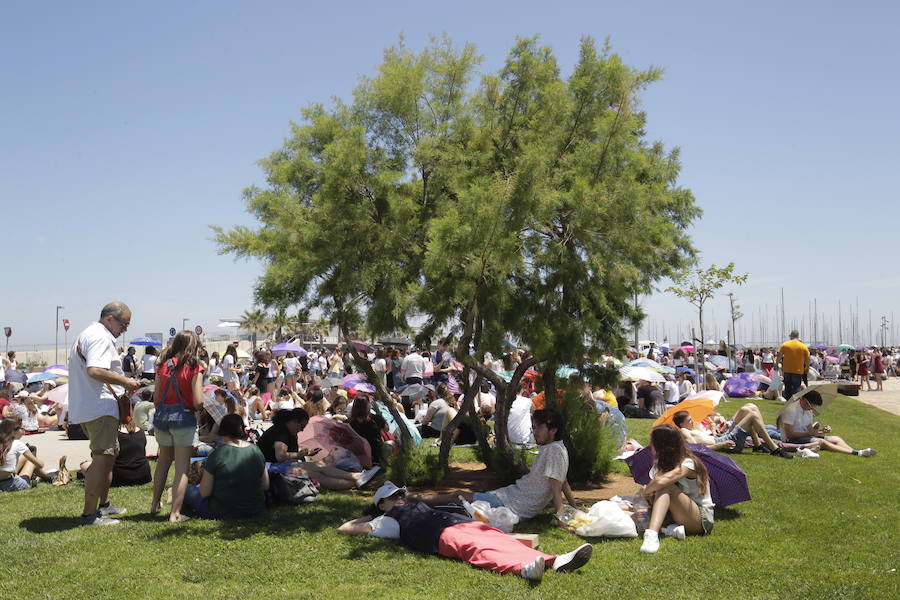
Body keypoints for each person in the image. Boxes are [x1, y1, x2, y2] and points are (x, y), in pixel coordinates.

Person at [338, 481, 592, 581]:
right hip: (443, 534)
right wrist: (368, 515)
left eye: (400, 495)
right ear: (382, 504)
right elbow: (345, 528)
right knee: (479, 550)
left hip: (458, 523)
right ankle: (523, 569)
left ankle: (555, 560)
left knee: (499, 538)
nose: (400, 499)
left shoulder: (404, 507)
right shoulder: (388, 520)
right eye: (393, 498)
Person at [419, 409, 576, 520]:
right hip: (512, 497)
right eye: (533, 427)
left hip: (515, 505)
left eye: (539, 427)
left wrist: (561, 519)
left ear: (553, 430)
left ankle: (414, 500)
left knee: (458, 497)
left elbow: (557, 488)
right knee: (460, 498)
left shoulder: (553, 451)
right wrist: (574, 508)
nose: (535, 432)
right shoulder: (555, 448)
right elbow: (563, 481)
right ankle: (416, 500)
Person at [68, 301, 141, 525]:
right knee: (101, 460)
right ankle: (89, 515)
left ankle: (104, 505)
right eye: (124, 324)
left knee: (108, 457)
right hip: (99, 408)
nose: (125, 330)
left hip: (93, 407)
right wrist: (126, 380)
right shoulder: (99, 337)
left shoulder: (89, 334)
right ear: (110, 319)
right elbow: (95, 370)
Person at [149, 330, 205, 522]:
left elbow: (156, 398)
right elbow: (198, 401)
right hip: (184, 418)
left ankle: (154, 504)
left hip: (162, 417)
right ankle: (175, 513)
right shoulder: (195, 367)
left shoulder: (164, 365)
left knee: (163, 461)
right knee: (182, 468)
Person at [257, 407, 379, 490]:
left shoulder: (286, 432)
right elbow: (281, 456)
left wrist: (305, 453)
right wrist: (299, 455)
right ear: (294, 421)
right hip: (270, 471)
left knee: (320, 467)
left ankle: (357, 478)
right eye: (301, 426)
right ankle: (357, 479)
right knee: (316, 474)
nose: (302, 430)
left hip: (278, 468)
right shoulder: (281, 432)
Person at [639, 425, 714, 553]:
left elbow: (660, 482)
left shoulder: (688, 463)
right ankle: (670, 529)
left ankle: (651, 536)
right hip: (677, 514)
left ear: (661, 445)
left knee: (665, 487)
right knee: (648, 499)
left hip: (700, 518)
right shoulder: (660, 465)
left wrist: (646, 491)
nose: (650, 445)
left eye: (653, 442)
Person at [183, 414, 268, 520]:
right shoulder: (256, 451)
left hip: (222, 511)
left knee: (187, 490)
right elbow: (266, 485)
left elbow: (205, 492)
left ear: (222, 431)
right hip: (255, 509)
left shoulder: (216, 454)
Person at [777, 390, 876, 457]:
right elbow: (790, 434)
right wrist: (810, 434)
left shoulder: (808, 410)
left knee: (836, 438)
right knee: (822, 442)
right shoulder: (791, 410)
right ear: (803, 400)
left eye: (812, 407)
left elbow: (809, 430)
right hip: (792, 439)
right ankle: (856, 453)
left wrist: (821, 432)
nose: (811, 409)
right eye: (810, 405)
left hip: (803, 435)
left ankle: (856, 452)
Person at [673, 406, 792, 458]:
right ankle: (775, 449)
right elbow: (696, 451)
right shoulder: (684, 432)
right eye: (689, 420)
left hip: (723, 436)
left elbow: (708, 436)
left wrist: (715, 428)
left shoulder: (691, 429)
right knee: (752, 415)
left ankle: (758, 446)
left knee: (749, 408)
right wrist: (721, 445)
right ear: (682, 425)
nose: (692, 421)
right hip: (725, 442)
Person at [0, 416, 52, 491]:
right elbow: (40, 465)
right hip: (9, 484)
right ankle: (48, 477)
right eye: (22, 429)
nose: (24, 432)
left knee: (25, 458)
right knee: (31, 462)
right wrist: (33, 457)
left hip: (5, 476)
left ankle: (47, 476)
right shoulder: (17, 444)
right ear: (14, 430)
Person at [778, 331, 809, 401]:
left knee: (787, 387)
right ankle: (795, 401)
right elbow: (808, 358)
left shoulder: (785, 345)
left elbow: (779, 356)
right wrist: (807, 367)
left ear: (791, 336)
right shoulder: (803, 346)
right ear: (798, 336)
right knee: (796, 387)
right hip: (798, 370)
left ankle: (788, 401)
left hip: (787, 370)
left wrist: (776, 364)